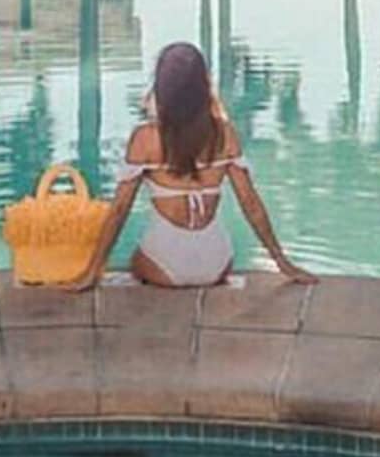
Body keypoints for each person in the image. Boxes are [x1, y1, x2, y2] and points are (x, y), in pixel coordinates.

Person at [61, 41, 315, 291]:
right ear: (203, 87)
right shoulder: (225, 134)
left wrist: (92, 270)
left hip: (164, 267)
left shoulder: (146, 139)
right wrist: (282, 262)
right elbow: (250, 203)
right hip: (216, 265)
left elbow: (119, 210)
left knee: (133, 262)